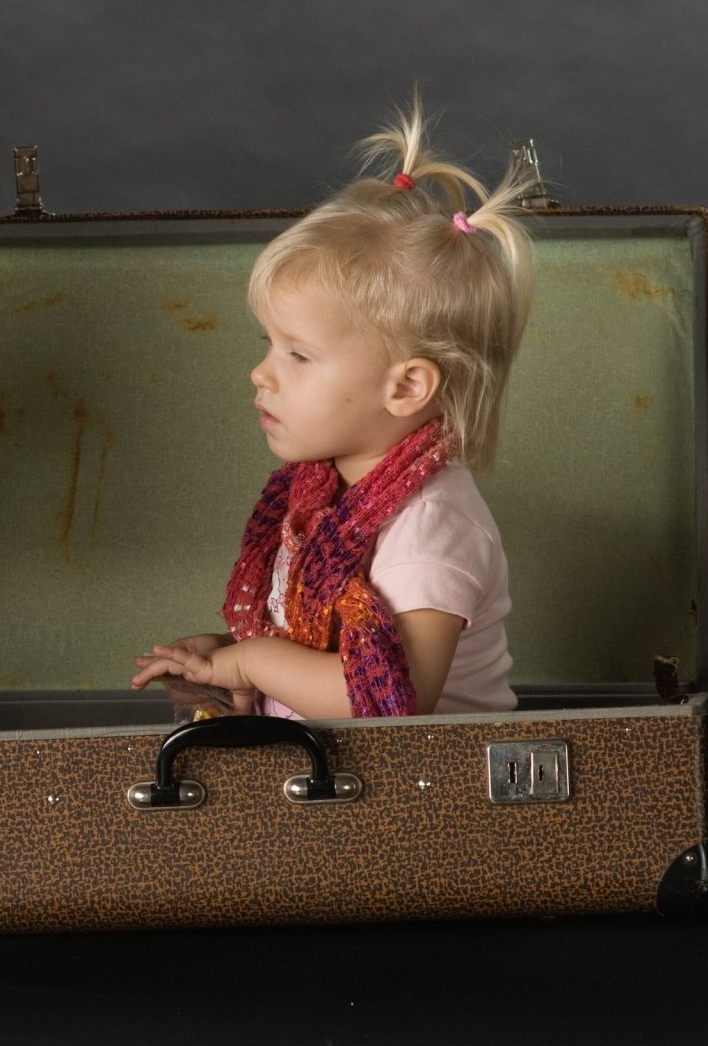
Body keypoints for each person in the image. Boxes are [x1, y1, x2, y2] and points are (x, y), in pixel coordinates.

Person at [129, 103, 533, 720]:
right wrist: (229, 658)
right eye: (266, 344)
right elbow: (325, 651)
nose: (260, 373)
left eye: (297, 354)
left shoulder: (430, 526)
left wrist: (256, 662)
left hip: (429, 799)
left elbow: (385, 702)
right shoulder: (322, 498)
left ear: (406, 388)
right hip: (342, 788)